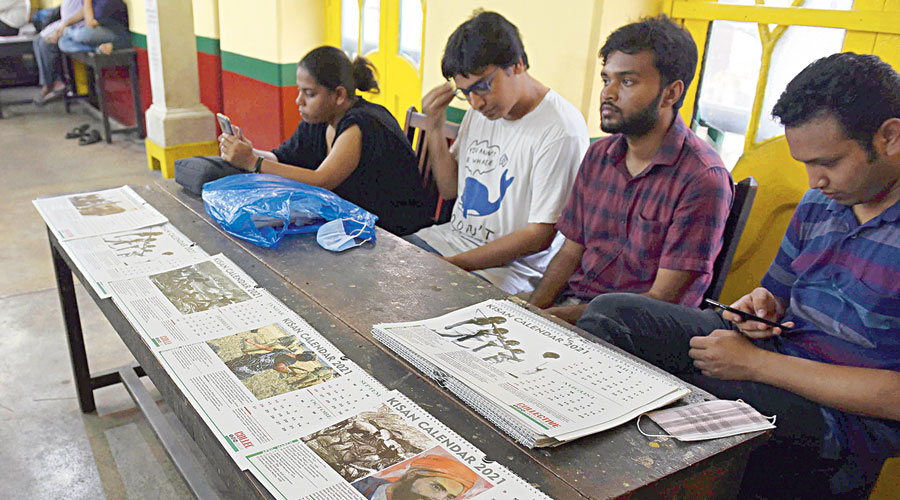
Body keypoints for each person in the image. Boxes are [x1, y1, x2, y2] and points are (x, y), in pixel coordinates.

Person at [575, 52, 900, 498]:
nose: (814, 180)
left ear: (889, 136)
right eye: (804, 163)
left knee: (683, 403)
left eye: (828, 162)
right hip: (776, 354)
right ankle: (573, 464)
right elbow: (776, 296)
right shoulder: (819, 205)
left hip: (839, 417)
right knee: (613, 316)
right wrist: (761, 305)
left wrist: (759, 365)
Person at [527, 16, 733, 324]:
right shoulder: (599, 155)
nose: (608, 94)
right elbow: (570, 253)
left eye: (627, 81)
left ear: (671, 94)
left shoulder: (703, 178)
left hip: (640, 331)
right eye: (606, 79)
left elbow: (661, 300)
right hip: (573, 310)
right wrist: (531, 313)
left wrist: (556, 319)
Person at [405, 11, 589, 294]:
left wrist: (453, 264)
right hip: (447, 244)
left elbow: (539, 236)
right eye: (465, 93)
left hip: (507, 273)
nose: (476, 102)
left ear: (517, 65)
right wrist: (435, 125)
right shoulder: (482, 113)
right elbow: (450, 188)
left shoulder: (561, 129)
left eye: (482, 86)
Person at [219, 46, 432, 236]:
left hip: (395, 232)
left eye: (309, 93)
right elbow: (282, 158)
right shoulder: (321, 119)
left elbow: (322, 180)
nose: (298, 101)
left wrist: (253, 163)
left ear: (338, 95)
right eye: (299, 91)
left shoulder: (362, 124)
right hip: (353, 222)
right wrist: (249, 152)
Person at [32, 0, 129, 106]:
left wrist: (86, 2)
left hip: (115, 35)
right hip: (96, 34)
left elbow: (90, 23)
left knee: (81, 35)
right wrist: (64, 25)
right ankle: (96, 48)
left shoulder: (107, 3)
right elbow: (82, 13)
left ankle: (76, 36)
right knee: (63, 43)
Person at [353, 454, 479, 500]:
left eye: (449, 498)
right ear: (411, 476)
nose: (438, 499)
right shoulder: (357, 485)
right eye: (436, 487)